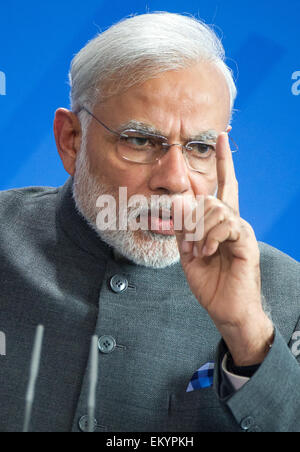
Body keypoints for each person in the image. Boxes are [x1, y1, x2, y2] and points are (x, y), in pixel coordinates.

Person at [0, 12, 299, 433]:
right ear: (72, 140)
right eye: (139, 140)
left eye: (199, 147)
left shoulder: (291, 296)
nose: (175, 180)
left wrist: (248, 335)